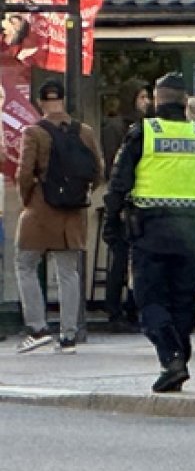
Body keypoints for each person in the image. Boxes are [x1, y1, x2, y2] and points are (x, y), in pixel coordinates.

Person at [104, 73, 195, 393]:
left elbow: (119, 182)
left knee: (151, 301)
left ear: (157, 101)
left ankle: (172, 359)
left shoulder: (143, 133)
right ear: (185, 103)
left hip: (151, 232)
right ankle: (178, 359)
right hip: (189, 232)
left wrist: (111, 222)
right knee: (183, 300)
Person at [14, 79, 104, 354]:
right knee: (68, 273)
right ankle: (68, 336)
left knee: (25, 264)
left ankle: (38, 328)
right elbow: (98, 171)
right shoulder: (85, 132)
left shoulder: (34, 132)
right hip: (73, 213)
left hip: (41, 209)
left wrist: (29, 199)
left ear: (40, 102)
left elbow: (24, 174)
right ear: (63, 100)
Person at [103, 79, 151, 333]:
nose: (146, 102)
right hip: (124, 201)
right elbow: (114, 167)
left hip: (143, 200)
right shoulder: (116, 127)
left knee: (140, 260)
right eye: (141, 97)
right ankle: (114, 309)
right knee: (120, 260)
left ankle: (134, 307)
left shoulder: (148, 128)